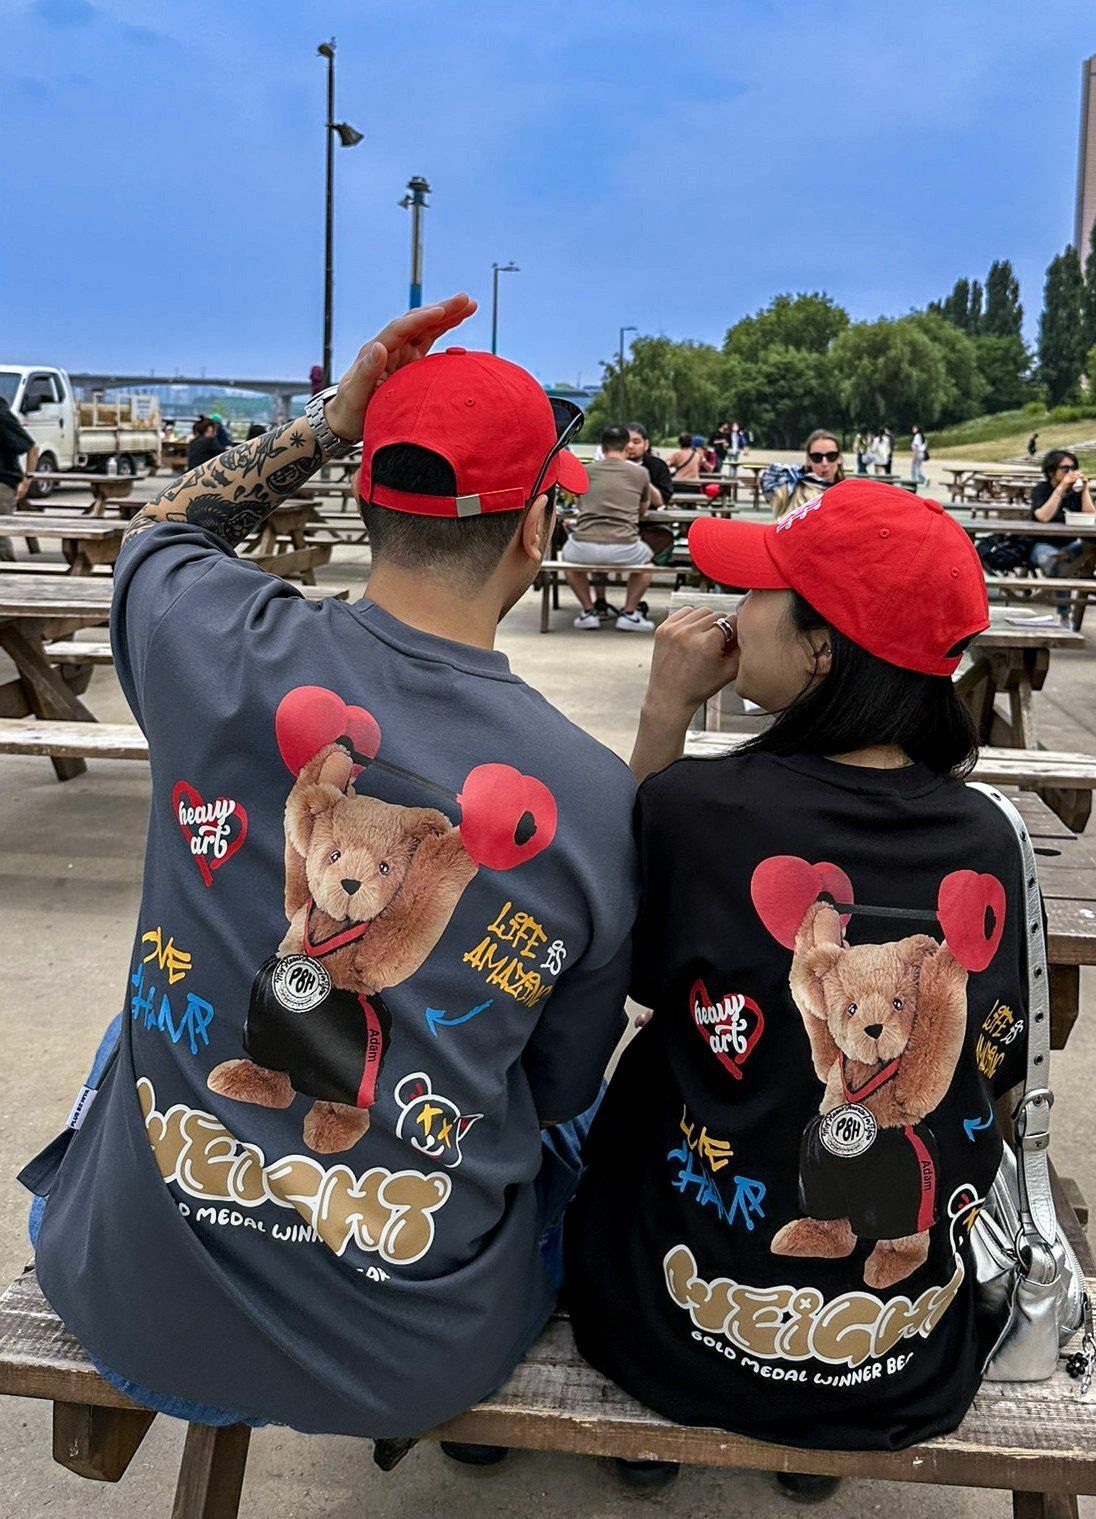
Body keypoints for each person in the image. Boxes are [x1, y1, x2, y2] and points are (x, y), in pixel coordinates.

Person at [23, 296, 642, 1446]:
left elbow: (161, 528)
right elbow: (554, 1090)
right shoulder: (592, 799)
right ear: (536, 529)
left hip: (135, 1308)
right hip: (406, 1359)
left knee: (135, 1029)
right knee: (582, 1114)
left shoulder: (212, 641)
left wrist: (328, 419)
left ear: (361, 496)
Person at [566, 478, 1033, 1479]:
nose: (731, 612)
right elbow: (995, 1061)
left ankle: (668, 1419)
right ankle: (813, 1423)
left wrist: (664, 706)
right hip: (900, 1354)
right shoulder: (986, 835)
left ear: (820, 649)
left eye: (755, 592)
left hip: (672, 1324)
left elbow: (623, 966)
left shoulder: (696, 806)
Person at [561, 424, 658, 631]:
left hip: (583, 546)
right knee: (647, 565)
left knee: (568, 561)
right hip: (625, 547)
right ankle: (629, 614)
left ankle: (589, 611)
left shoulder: (585, 471)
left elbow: (579, 505)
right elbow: (642, 510)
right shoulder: (641, 474)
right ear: (627, 447)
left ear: (602, 447)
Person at [1026, 448, 1096, 624]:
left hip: (1070, 544)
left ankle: (1060, 564)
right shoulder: (1042, 490)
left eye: (1073, 468)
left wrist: (1085, 490)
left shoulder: (1075, 492)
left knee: (1085, 549)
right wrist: (1061, 488)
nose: (1070, 472)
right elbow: (1043, 516)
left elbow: (1090, 516)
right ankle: (1065, 615)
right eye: (1065, 469)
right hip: (1042, 544)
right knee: (1058, 563)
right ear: (1051, 471)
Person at [761, 428, 845, 519]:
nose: (824, 463)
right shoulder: (796, 488)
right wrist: (807, 479)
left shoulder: (847, 490)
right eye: (817, 457)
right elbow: (769, 478)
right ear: (808, 460)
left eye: (831, 456)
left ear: (839, 458)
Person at [0, 394, 40, 561]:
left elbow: (32, 448)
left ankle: (9, 570)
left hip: (3, 482)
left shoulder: (2, 416)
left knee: (0, 537)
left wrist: (26, 481)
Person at [626, 422, 673, 506]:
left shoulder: (658, 466)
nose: (630, 446)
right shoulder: (614, 465)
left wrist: (641, 476)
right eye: (626, 442)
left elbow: (661, 502)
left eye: (636, 442)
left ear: (646, 444)